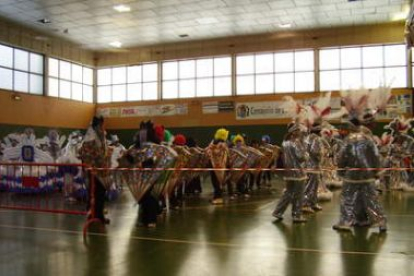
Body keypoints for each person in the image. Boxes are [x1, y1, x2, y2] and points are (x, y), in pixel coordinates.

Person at [333, 87, 389, 232]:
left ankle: (346, 222)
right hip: (368, 176)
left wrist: (340, 171)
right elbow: (376, 156)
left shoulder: (348, 140)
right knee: (370, 198)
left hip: (352, 176)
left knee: (348, 198)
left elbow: (342, 158)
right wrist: (376, 171)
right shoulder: (368, 139)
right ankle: (376, 221)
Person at [272, 121, 309, 223]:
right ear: (293, 132)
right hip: (298, 173)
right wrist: (306, 154)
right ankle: (297, 215)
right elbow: (301, 157)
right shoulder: (296, 143)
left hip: (289, 173)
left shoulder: (285, 143)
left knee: (288, 193)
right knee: (298, 194)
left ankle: (278, 212)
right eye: (298, 130)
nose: (300, 132)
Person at [80, 115, 110, 224]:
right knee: (94, 192)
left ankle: (98, 214)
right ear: (98, 125)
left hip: (100, 170)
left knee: (99, 193)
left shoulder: (100, 135)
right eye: (102, 124)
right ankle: (93, 214)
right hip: (94, 171)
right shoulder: (90, 137)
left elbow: (102, 151)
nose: (103, 126)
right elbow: (85, 154)